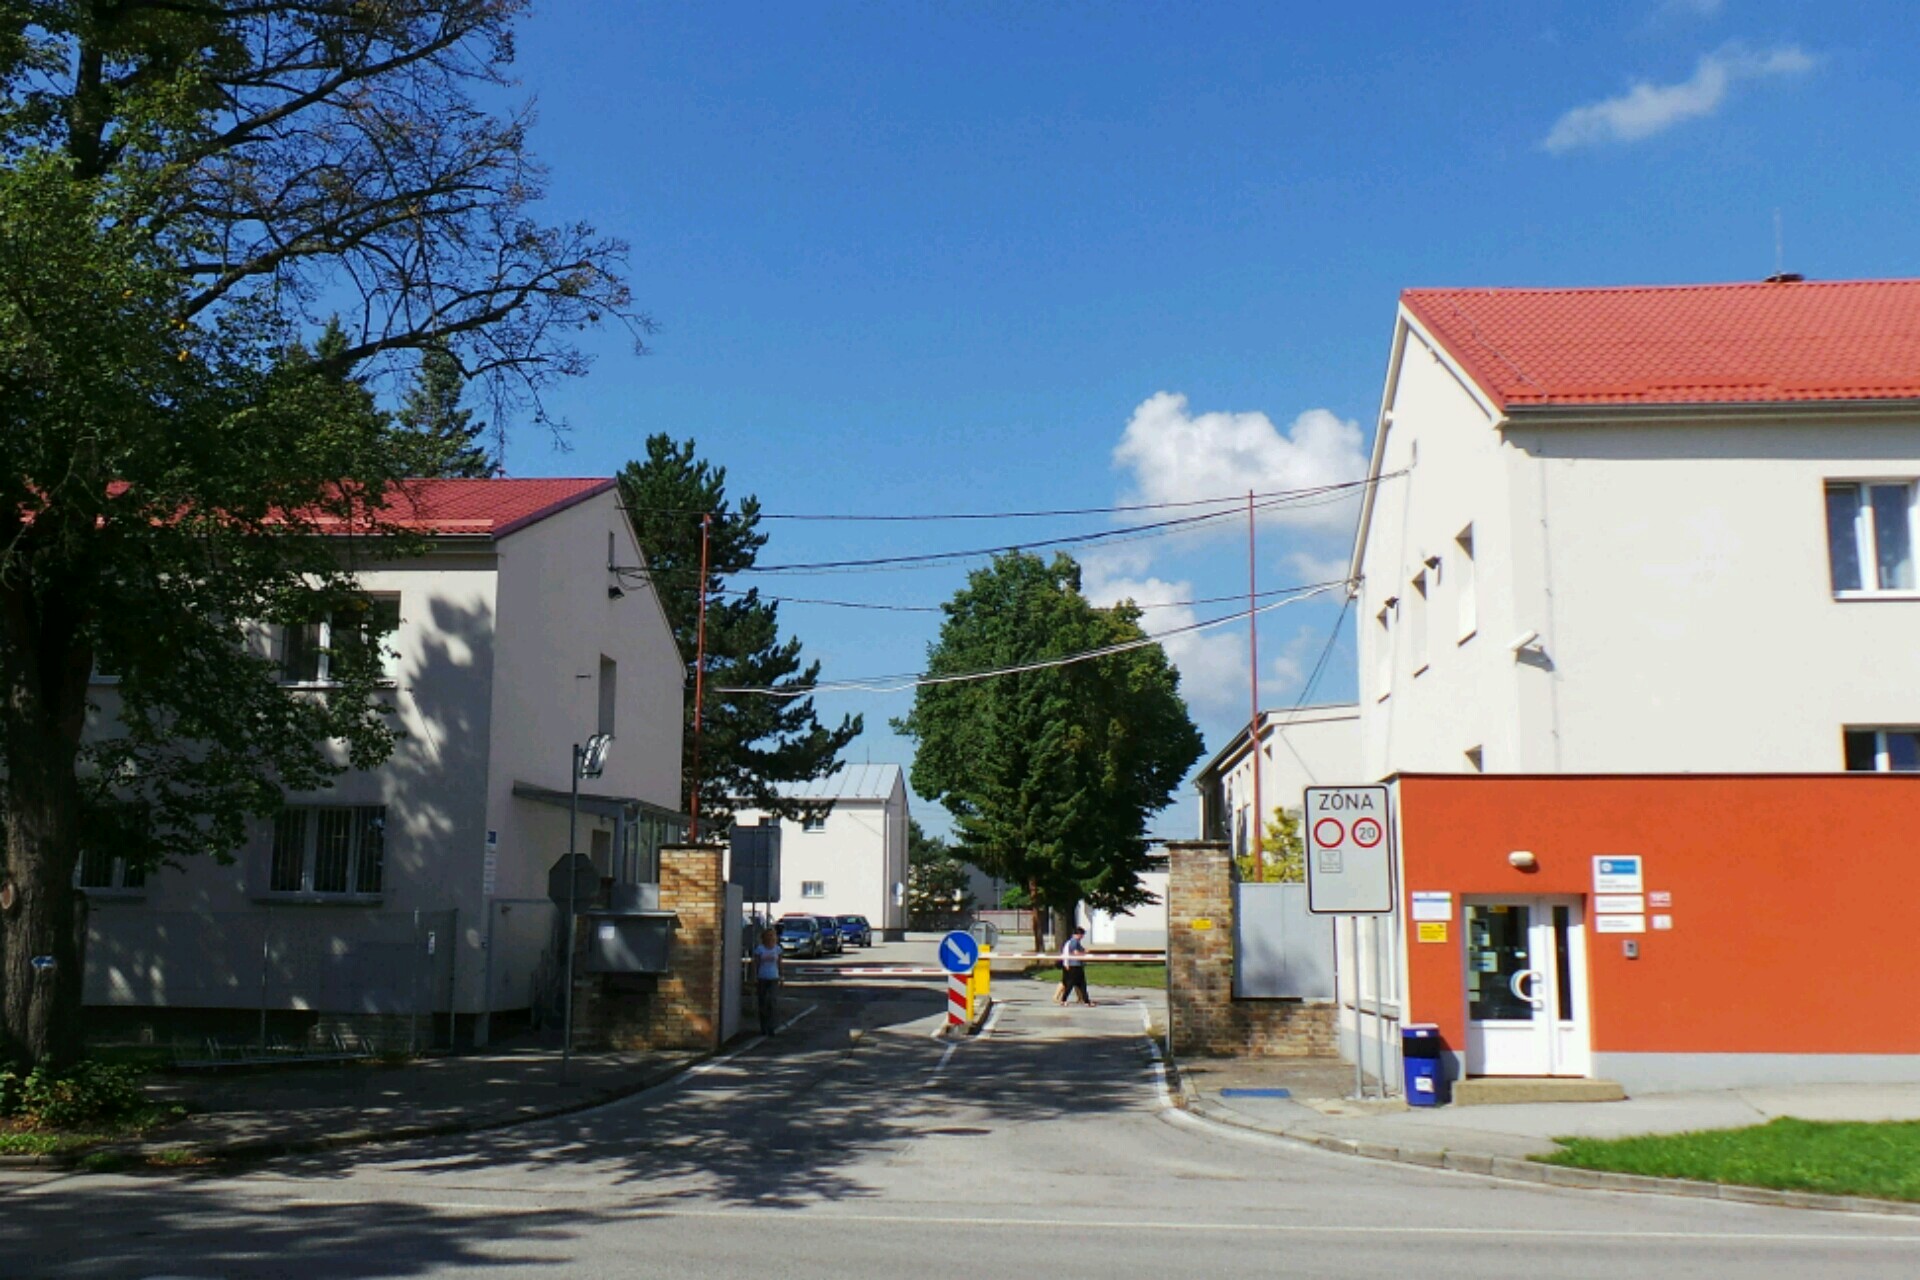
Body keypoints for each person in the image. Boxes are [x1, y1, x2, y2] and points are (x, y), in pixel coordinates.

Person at [753, 928, 783, 1036]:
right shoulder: (760, 949)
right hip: (762, 978)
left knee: (772, 1002)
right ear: (764, 937)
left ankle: (772, 1027)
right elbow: (756, 964)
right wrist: (755, 977)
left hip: (773, 978)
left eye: (772, 935)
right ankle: (763, 1027)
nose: (771, 937)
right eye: (768, 935)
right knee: (763, 1003)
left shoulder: (777, 949)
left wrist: (781, 976)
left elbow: (779, 963)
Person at [1059, 925, 1094, 1007]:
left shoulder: (1074, 942)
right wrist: (1084, 953)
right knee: (1071, 984)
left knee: (1081, 984)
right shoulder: (1074, 941)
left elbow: (1081, 949)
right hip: (1075, 966)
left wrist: (1085, 951)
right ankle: (1063, 1000)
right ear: (1079, 934)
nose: (1082, 937)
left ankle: (1086, 1001)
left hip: (1077, 965)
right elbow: (1076, 953)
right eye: (1082, 935)